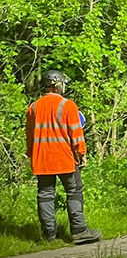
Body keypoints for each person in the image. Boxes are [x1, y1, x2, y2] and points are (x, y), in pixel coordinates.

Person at [26, 70, 101, 244]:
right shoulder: (68, 105)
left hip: (41, 159)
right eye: (63, 84)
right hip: (64, 158)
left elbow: (29, 135)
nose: (64, 86)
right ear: (56, 84)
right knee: (74, 192)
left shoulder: (33, 107)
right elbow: (76, 134)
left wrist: (31, 154)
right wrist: (82, 154)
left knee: (45, 195)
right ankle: (79, 231)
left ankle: (49, 236)